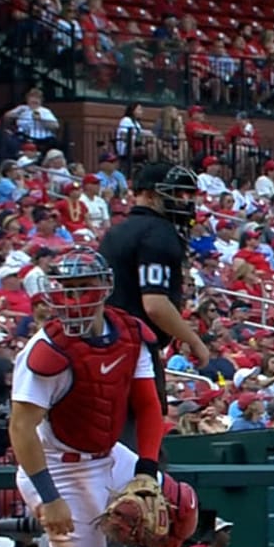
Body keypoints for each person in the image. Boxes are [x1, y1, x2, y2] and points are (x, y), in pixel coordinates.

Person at [0, 251, 206, 547]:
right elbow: (21, 429)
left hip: (107, 453)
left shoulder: (129, 333)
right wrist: (50, 497)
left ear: (104, 288)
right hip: (58, 464)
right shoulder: (45, 350)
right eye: (67, 289)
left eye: (83, 288)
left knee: (179, 504)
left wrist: (146, 471)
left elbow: (147, 406)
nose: (74, 298)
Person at [99, 162, 209, 446]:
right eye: (176, 193)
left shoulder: (115, 232)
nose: (185, 202)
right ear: (148, 194)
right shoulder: (159, 232)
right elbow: (155, 304)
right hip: (135, 349)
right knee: (141, 445)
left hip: (105, 346)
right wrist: (194, 340)